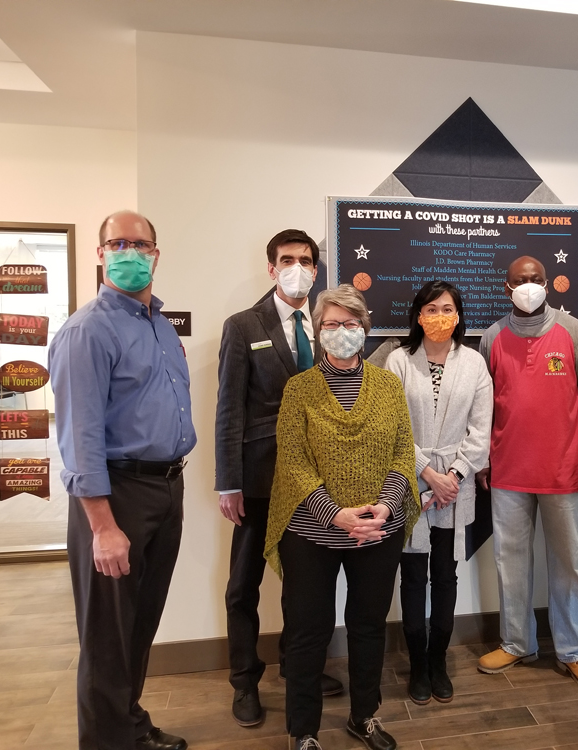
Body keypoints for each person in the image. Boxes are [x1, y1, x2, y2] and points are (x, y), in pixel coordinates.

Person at [49, 210, 196, 750]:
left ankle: (128, 725)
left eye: (141, 244)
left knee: (138, 625)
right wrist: (103, 527)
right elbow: (80, 438)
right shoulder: (87, 330)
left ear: (157, 254)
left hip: (166, 488)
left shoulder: (158, 324)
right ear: (100, 253)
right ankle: (108, 741)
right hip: (117, 496)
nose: (130, 253)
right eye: (118, 243)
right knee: (108, 637)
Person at [264, 284, 420, 750]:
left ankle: (364, 716)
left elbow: (401, 455)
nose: (341, 332)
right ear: (317, 329)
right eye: (331, 323)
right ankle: (303, 730)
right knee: (308, 631)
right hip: (312, 531)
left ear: (365, 330)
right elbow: (292, 460)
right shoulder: (299, 389)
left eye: (351, 324)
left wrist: (387, 507)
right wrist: (336, 514)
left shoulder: (389, 386)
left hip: (378, 528)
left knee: (369, 626)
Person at [215, 229, 343, 727]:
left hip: (316, 478)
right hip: (259, 475)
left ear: (316, 269)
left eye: (306, 260)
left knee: (304, 581)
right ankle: (244, 681)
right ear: (271, 268)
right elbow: (229, 409)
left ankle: (298, 664)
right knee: (243, 584)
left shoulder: (327, 324)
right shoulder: (243, 324)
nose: (298, 268)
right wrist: (229, 482)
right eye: (288, 259)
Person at [477, 255, 578, 689]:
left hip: (565, 470)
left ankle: (573, 649)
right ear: (506, 288)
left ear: (548, 284)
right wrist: (483, 462)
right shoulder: (492, 338)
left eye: (535, 280)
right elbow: (483, 408)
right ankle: (516, 643)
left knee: (569, 563)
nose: (528, 286)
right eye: (519, 281)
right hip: (508, 471)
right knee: (510, 562)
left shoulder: (574, 332)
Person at [385, 280, 493, 705]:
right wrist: (427, 472)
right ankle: (416, 663)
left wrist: (455, 474)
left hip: (455, 488)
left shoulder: (474, 363)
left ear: (459, 315)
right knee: (412, 578)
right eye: (431, 309)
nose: (439, 316)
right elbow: (392, 426)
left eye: (447, 308)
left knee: (445, 576)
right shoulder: (397, 360)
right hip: (411, 484)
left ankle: (437, 660)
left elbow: (480, 431)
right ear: (417, 315)